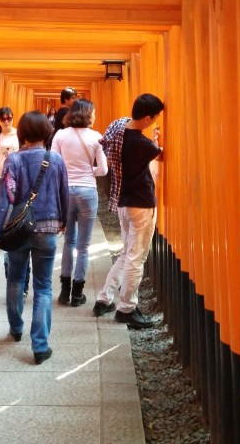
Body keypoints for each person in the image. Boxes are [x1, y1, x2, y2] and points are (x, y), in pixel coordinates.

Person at [0, 111, 69, 364]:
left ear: (21, 133)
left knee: (15, 279)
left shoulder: (14, 161)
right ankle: (40, 346)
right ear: (47, 132)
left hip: (19, 228)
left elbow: (6, 198)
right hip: (47, 228)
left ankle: (16, 328)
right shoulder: (55, 159)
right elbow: (64, 193)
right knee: (44, 287)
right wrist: (63, 221)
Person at [93, 94, 164, 329]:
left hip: (123, 202)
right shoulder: (142, 145)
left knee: (126, 254)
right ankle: (127, 308)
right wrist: (154, 142)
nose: (155, 122)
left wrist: (151, 140)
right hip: (141, 204)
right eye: (155, 119)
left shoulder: (118, 126)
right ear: (147, 117)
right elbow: (157, 156)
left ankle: (104, 298)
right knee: (136, 257)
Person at [50, 99, 108, 307]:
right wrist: (87, 171)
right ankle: (77, 293)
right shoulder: (96, 137)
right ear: (88, 114)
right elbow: (103, 170)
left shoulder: (60, 135)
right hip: (87, 191)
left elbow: (54, 165)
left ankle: (64, 292)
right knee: (83, 246)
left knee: (69, 241)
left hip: (65, 191)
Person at [0, 106, 29, 295]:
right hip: (0, 176)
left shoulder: (18, 134)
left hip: (16, 176)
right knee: (3, 205)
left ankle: (12, 228)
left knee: (15, 207)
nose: (6, 121)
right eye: (3, 118)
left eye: (9, 118)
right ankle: (6, 230)